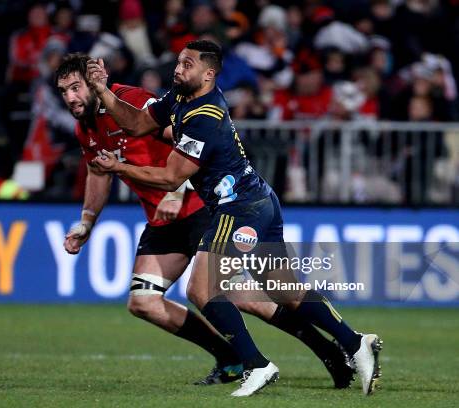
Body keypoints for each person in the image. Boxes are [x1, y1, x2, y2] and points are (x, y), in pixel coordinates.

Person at [86, 40, 382, 397]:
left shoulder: (204, 117)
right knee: (284, 292)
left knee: (201, 289)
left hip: (238, 206)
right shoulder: (179, 99)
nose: (178, 69)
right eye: (179, 62)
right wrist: (102, 90)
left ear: (208, 74)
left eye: (187, 64)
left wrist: (118, 166)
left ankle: (256, 366)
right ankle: (354, 342)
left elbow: (170, 178)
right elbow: (135, 124)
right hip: (259, 200)